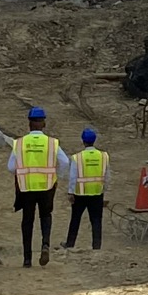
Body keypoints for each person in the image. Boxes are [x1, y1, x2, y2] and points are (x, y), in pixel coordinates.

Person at [12, 108, 58, 267]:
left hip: (26, 188)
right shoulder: (52, 143)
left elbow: (10, 166)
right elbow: (65, 162)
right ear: (43, 123)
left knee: (27, 221)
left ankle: (27, 259)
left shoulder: (20, 143)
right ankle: (45, 243)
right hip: (47, 187)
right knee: (46, 216)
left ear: (29, 124)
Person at [67, 127, 107, 251]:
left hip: (80, 193)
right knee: (96, 220)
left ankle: (70, 243)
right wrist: (105, 190)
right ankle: (96, 245)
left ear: (83, 141)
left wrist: (71, 192)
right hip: (97, 192)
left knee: (75, 219)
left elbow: (73, 176)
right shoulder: (103, 156)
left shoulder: (77, 157)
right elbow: (107, 174)